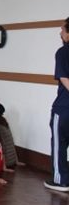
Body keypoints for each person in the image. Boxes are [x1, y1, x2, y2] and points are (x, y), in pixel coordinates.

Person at [45, 16, 69, 192]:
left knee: (59, 144)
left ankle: (61, 181)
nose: (60, 33)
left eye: (62, 29)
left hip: (63, 108)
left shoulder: (62, 52)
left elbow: (64, 78)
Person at [0, 100, 21, 169]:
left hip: (5, 162)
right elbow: (11, 140)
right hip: (13, 160)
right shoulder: (3, 121)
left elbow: (2, 144)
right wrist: (16, 161)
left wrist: (4, 167)